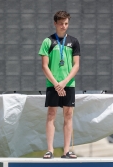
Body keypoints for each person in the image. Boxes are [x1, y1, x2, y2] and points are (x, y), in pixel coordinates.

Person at [38, 11, 80, 159]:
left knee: (68, 115)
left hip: (68, 84)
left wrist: (64, 82)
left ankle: (66, 151)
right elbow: (44, 66)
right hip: (53, 84)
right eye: (61, 23)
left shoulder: (73, 42)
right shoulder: (47, 42)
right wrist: (56, 84)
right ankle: (50, 150)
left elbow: (76, 66)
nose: (64, 26)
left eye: (66, 23)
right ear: (55, 23)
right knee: (51, 114)